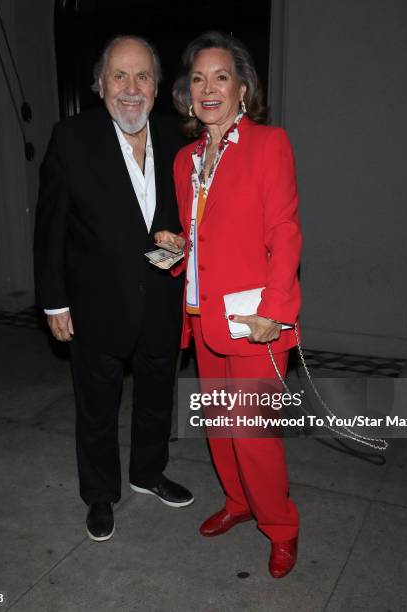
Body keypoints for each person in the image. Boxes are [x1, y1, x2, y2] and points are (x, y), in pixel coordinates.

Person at [34, 35, 193, 543]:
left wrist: (181, 245)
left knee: (155, 398)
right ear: (99, 84)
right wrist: (54, 300)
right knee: (97, 407)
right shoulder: (71, 137)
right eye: (119, 76)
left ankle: (148, 472)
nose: (131, 88)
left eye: (142, 76)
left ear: (157, 86)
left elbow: (186, 222)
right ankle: (99, 494)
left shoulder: (176, 138)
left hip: (161, 303)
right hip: (95, 305)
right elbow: (51, 227)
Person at [155, 31, 302, 578]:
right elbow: (200, 237)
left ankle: (281, 527)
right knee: (219, 425)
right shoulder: (186, 158)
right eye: (198, 78)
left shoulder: (269, 145)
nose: (208, 88)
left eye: (221, 76)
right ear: (187, 93)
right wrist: (176, 250)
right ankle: (239, 504)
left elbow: (284, 232)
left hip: (253, 321)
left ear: (243, 88)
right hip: (203, 319)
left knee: (254, 434)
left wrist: (277, 310)